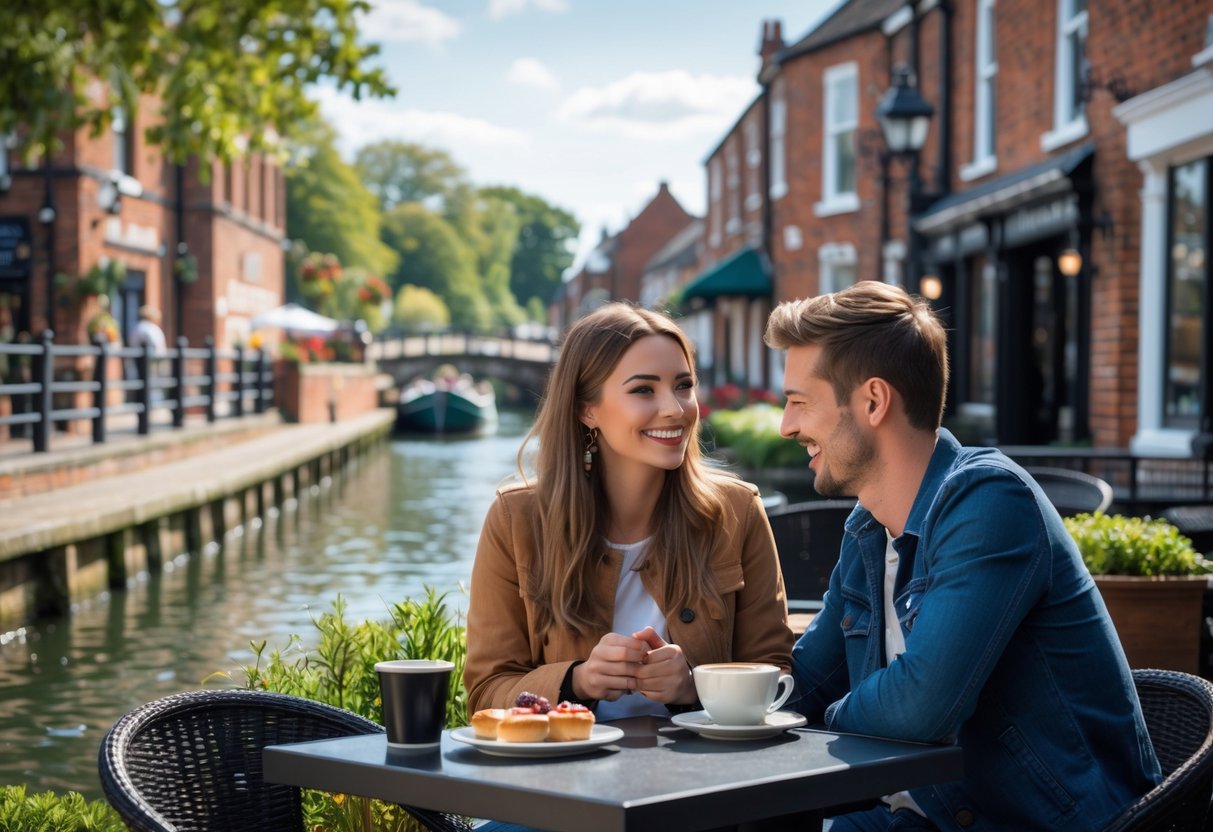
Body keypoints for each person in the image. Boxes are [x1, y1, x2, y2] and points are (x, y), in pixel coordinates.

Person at [765, 281, 1159, 831]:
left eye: (799, 402)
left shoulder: (990, 501)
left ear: (873, 402)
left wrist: (832, 718)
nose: (786, 425)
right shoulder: (869, 530)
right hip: (916, 814)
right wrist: (697, 685)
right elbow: (807, 681)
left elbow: (918, 706)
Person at [464, 302, 794, 723]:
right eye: (644, 389)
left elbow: (776, 672)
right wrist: (577, 682)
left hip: (703, 779)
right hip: (566, 780)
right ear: (588, 409)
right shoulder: (516, 521)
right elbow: (486, 695)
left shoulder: (737, 512)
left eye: (683, 385)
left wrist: (693, 686)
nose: (675, 408)